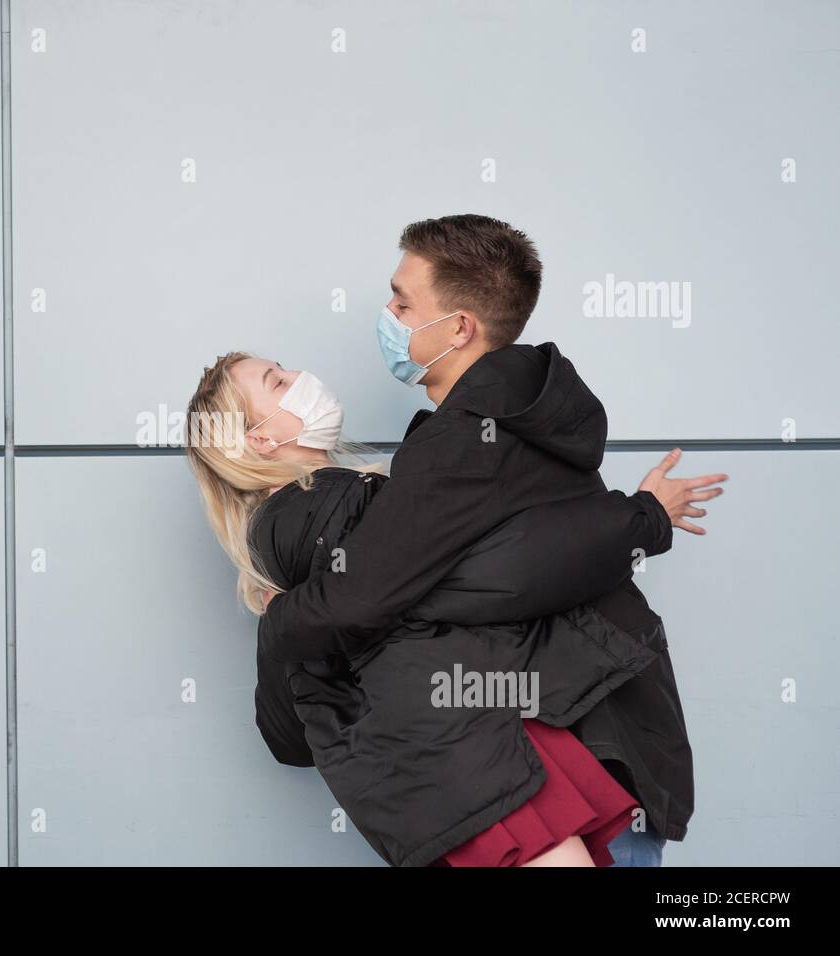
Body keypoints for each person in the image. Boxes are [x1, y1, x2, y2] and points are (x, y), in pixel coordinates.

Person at [255, 214, 727, 865]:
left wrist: (281, 618)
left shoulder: (459, 445)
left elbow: (367, 596)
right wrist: (640, 520)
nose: (387, 313)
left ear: (458, 328)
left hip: (570, 767)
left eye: (402, 300)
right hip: (610, 739)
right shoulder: (526, 411)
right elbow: (537, 559)